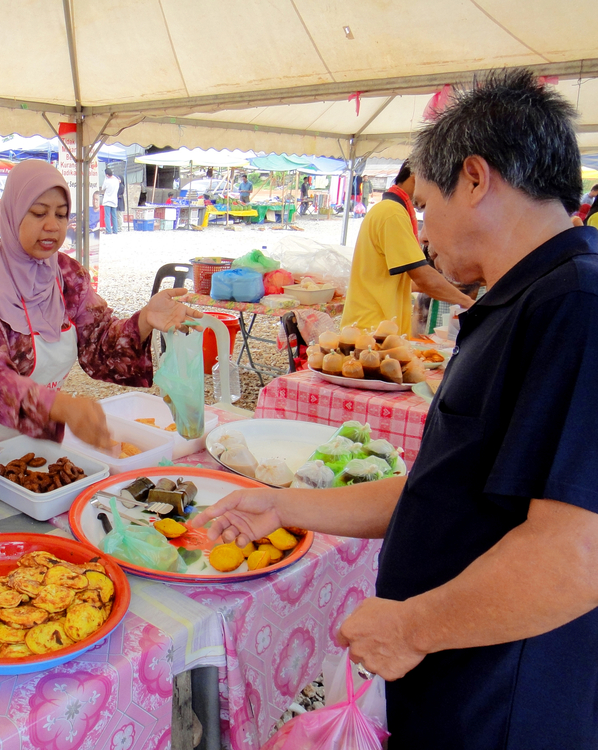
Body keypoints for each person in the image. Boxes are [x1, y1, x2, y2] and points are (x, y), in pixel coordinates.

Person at [192, 69, 598, 748]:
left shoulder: (575, 306)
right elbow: (444, 489)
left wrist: (414, 626)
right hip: (455, 683)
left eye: (426, 202)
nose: (423, 228)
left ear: (474, 178)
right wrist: (283, 505)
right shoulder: (521, 299)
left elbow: (575, 553)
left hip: (505, 704)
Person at [0, 159, 201, 445]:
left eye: (60, 215)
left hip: (34, 440)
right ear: (12, 213)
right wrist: (63, 407)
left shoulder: (67, 275)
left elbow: (98, 344)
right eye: (38, 213)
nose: (51, 226)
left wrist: (144, 320)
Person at [342, 160, 477, 333]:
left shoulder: (388, 210)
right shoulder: (392, 213)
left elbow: (405, 280)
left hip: (376, 326)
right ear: (416, 178)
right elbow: (422, 277)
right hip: (374, 330)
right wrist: (469, 303)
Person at [101, 167, 120, 234]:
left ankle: (108, 231)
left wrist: (105, 179)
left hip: (107, 201)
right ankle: (115, 230)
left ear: (106, 174)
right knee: (114, 216)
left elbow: (103, 188)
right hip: (114, 200)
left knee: (107, 216)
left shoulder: (107, 181)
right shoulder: (116, 180)